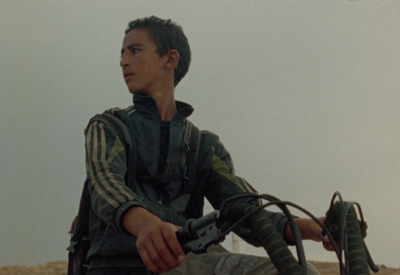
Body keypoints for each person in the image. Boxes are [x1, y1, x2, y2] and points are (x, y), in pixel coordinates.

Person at [84, 16, 331, 275]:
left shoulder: (204, 146)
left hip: (190, 259)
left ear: (169, 59)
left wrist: (312, 227)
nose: (123, 61)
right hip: (119, 264)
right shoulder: (108, 126)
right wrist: (146, 225)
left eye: (134, 51)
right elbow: (105, 185)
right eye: (122, 53)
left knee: (298, 271)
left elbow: (243, 210)